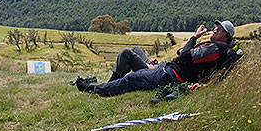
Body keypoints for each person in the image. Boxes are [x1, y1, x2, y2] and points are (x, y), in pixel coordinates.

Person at [76, 20, 237, 97]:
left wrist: (194, 37)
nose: (215, 29)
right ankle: (110, 84)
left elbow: (185, 56)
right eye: (216, 26)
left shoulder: (216, 48)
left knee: (131, 79)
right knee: (135, 50)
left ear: (226, 36)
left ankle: (95, 89)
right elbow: (184, 55)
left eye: (220, 29)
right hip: (165, 67)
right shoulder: (215, 47)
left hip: (170, 74)